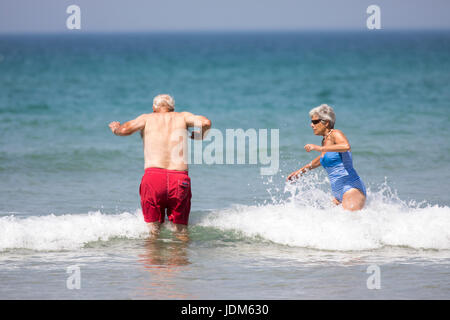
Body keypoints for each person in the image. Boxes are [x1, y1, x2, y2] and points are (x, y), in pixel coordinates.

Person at [109, 94, 211, 240]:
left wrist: (116, 129)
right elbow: (206, 122)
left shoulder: (146, 118)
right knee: (181, 232)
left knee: (153, 232)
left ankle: (153, 260)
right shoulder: (182, 117)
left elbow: (125, 130)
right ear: (172, 108)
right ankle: (181, 260)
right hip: (179, 178)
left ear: (154, 108)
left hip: (154, 178)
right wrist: (201, 135)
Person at [287, 104, 366, 211]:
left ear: (326, 122)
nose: (311, 125)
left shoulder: (335, 134)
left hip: (351, 189)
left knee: (349, 221)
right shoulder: (325, 140)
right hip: (338, 194)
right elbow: (322, 159)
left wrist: (318, 148)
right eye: (311, 122)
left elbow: (346, 146)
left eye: (315, 122)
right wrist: (300, 171)